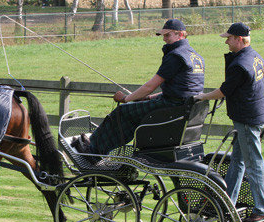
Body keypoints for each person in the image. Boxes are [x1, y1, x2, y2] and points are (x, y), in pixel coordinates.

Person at [73, 18, 205, 156]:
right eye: (163, 35)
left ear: (180, 34)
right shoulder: (195, 56)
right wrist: (146, 98)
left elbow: (150, 86)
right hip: (184, 107)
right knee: (132, 115)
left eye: (168, 35)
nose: (164, 39)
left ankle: (92, 150)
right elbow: (181, 91)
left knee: (121, 112)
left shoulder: (176, 56)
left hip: (172, 107)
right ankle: (99, 148)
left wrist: (126, 98)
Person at [195, 22, 264, 222]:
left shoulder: (240, 64)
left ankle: (263, 208)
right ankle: (227, 201)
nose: (227, 42)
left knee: (253, 164)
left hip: (247, 120)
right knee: (237, 161)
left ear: (239, 39)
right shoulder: (255, 56)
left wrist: (203, 97)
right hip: (253, 116)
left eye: (229, 38)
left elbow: (223, 91)